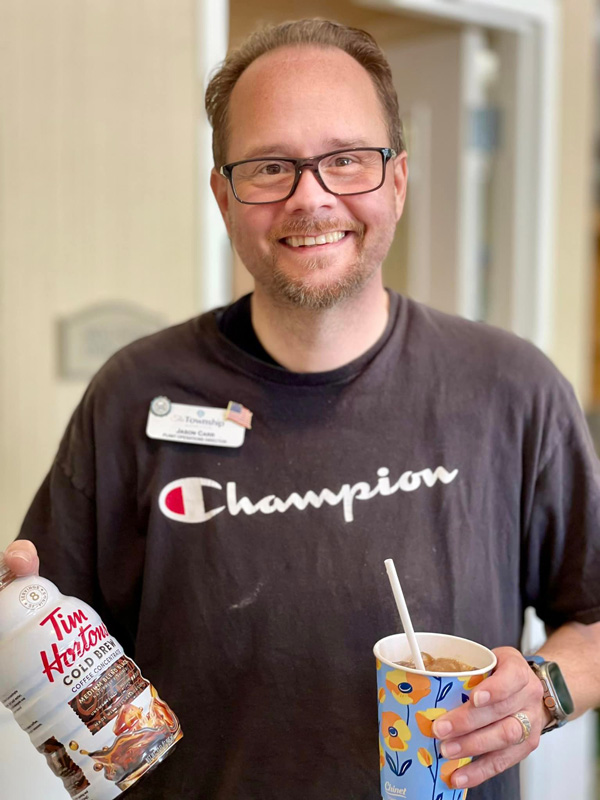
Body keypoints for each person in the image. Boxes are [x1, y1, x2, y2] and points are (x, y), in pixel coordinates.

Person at [4, 18, 600, 800]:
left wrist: (547, 692)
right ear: (223, 196)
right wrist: (18, 619)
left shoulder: (512, 388)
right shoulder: (133, 394)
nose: (310, 197)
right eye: (269, 166)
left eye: (347, 160)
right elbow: (50, 634)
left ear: (397, 178)